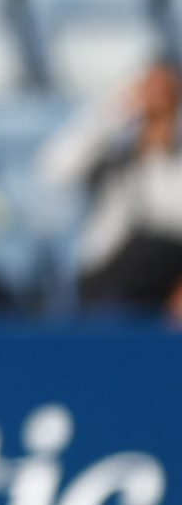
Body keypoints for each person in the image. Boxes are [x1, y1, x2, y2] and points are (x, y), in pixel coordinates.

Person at [44, 61, 182, 317]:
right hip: (107, 276)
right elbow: (56, 168)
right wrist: (114, 113)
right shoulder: (112, 158)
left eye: (167, 93)